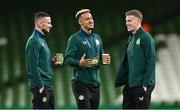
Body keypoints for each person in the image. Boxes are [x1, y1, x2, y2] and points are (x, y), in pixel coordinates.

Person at [65, 9, 110, 109]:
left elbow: (99, 59)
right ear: (80, 22)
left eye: (91, 18)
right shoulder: (74, 38)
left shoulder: (97, 38)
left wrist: (105, 61)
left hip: (95, 84)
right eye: (87, 19)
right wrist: (79, 63)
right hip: (80, 83)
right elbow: (67, 60)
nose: (90, 21)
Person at [115, 9, 156, 109]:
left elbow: (151, 61)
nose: (126, 23)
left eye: (129, 21)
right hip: (130, 85)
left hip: (142, 84)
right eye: (126, 21)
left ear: (138, 21)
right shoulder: (131, 39)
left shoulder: (146, 37)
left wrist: (145, 83)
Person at [25, 12, 57, 109]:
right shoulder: (34, 40)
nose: (51, 25)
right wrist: (40, 85)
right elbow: (33, 65)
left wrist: (52, 62)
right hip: (41, 85)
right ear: (40, 23)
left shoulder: (41, 39)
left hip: (47, 85)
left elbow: (41, 62)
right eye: (49, 23)